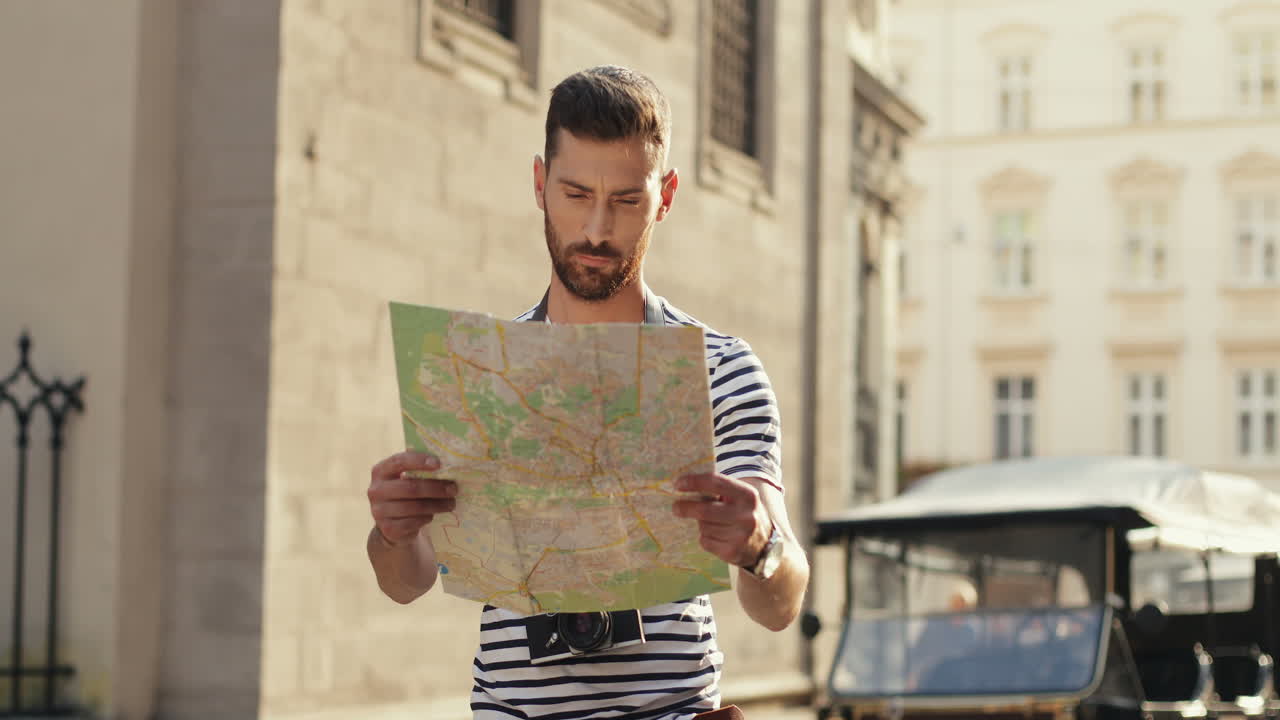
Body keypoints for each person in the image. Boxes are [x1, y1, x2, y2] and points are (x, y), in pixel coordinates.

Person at [364, 65, 810, 719]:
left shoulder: (721, 368)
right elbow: (406, 584)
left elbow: (780, 606)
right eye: (576, 193)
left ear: (666, 195)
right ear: (540, 184)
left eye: (626, 200)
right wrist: (391, 531)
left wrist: (760, 547)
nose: (597, 229)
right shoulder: (479, 371)